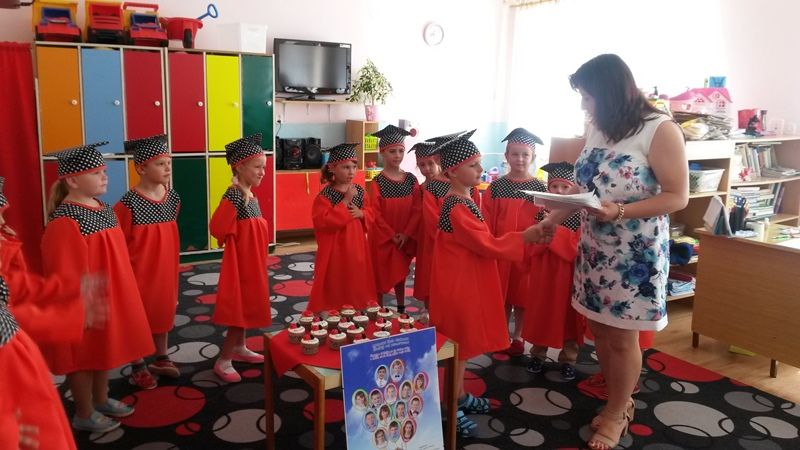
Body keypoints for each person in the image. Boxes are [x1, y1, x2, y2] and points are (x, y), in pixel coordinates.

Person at [535, 54, 688, 450]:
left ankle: (619, 410)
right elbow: (588, 191)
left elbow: (677, 196)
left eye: (588, 97)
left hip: (635, 254)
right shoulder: (599, 127)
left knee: (623, 337)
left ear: (611, 93)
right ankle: (616, 396)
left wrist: (619, 211)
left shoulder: (660, 130)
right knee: (600, 329)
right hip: (595, 250)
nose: (583, 105)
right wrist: (553, 219)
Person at [427, 131, 543, 437]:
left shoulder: (465, 198)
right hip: (457, 287)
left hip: (464, 281)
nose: (481, 169)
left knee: (463, 347)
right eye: (473, 165)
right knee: (458, 348)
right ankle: (449, 405)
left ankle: (460, 395)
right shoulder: (457, 205)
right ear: (453, 172)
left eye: (479, 163)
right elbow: (486, 243)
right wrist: (524, 237)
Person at [40, 142, 155, 432]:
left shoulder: (104, 208)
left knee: (103, 351)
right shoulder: (66, 219)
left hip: (109, 293)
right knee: (83, 358)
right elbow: (63, 269)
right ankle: (84, 412)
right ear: (72, 180)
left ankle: (101, 399)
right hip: (84, 303)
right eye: (96, 172)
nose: (105, 177)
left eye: (104, 171)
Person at [114, 135, 181, 384]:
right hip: (139, 271)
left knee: (164, 308)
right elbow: (118, 241)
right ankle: (138, 362)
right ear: (141, 168)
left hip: (166, 268)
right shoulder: (128, 203)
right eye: (161, 164)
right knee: (138, 315)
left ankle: (161, 356)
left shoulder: (172, 197)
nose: (168, 168)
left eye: (169, 163)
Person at [209, 133, 271, 383]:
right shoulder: (235, 194)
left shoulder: (249, 194)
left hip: (253, 259)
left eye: (264, 167)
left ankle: (239, 347)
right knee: (240, 307)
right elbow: (217, 226)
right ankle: (224, 359)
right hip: (241, 263)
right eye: (257, 167)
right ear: (240, 166)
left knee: (248, 303)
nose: (262, 172)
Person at [480, 128, 547, 356]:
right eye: (515, 154)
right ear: (507, 156)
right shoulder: (497, 187)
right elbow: (486, 217)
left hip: (528, 251)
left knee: (522, 296)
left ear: (533, 157)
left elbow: (546, 218)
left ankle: (518, 335)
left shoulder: (540, 189)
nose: (520, 159)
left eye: (525, 154)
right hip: (501, 248)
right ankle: (500, 334)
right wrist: (490, 243)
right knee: (501, 294)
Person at [522, 162, 585, 380]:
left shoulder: (579, 215)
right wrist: (545, 235)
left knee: (569, 316)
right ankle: (537, 354)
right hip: (543, 274)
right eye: (554, 186)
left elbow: (576, 247)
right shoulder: (540, 213)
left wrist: (553, 234)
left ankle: (569, 358)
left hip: (568, 275)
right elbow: (531, 243)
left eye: (565, 187)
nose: (558, 191)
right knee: (541, 312)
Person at [413, 132, 482, 308]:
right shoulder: (433, 187)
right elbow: (432, 220)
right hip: (437, 244)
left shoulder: (470, 187)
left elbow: (477, 219)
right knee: (433, 280)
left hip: (463, 247)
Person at [308, 143, 377, 311]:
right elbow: (324, 222)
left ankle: (356, 305)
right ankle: (333, 307)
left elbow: (371, 212)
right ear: (332, 168)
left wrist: (362, 214)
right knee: (336, 276)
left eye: (354, 166)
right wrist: (345, 201)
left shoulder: (359, 191)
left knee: (355, 273)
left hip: (356, 245)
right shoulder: (325, 195)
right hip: (335, 248)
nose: (351, 171)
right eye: (346, 167)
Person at [368, 125, 421, 314]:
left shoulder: (411, 180)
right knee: (380, 272)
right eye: (392, 151)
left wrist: (406, 234)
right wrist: (391, 235)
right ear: (382, 153)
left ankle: (401, 306)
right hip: (384, 237)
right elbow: (375, 213)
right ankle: (378, 309)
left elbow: (417, 209)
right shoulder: (377, 182)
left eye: (400, 151)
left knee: (401, 271)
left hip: (404, 235)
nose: (397, 155)